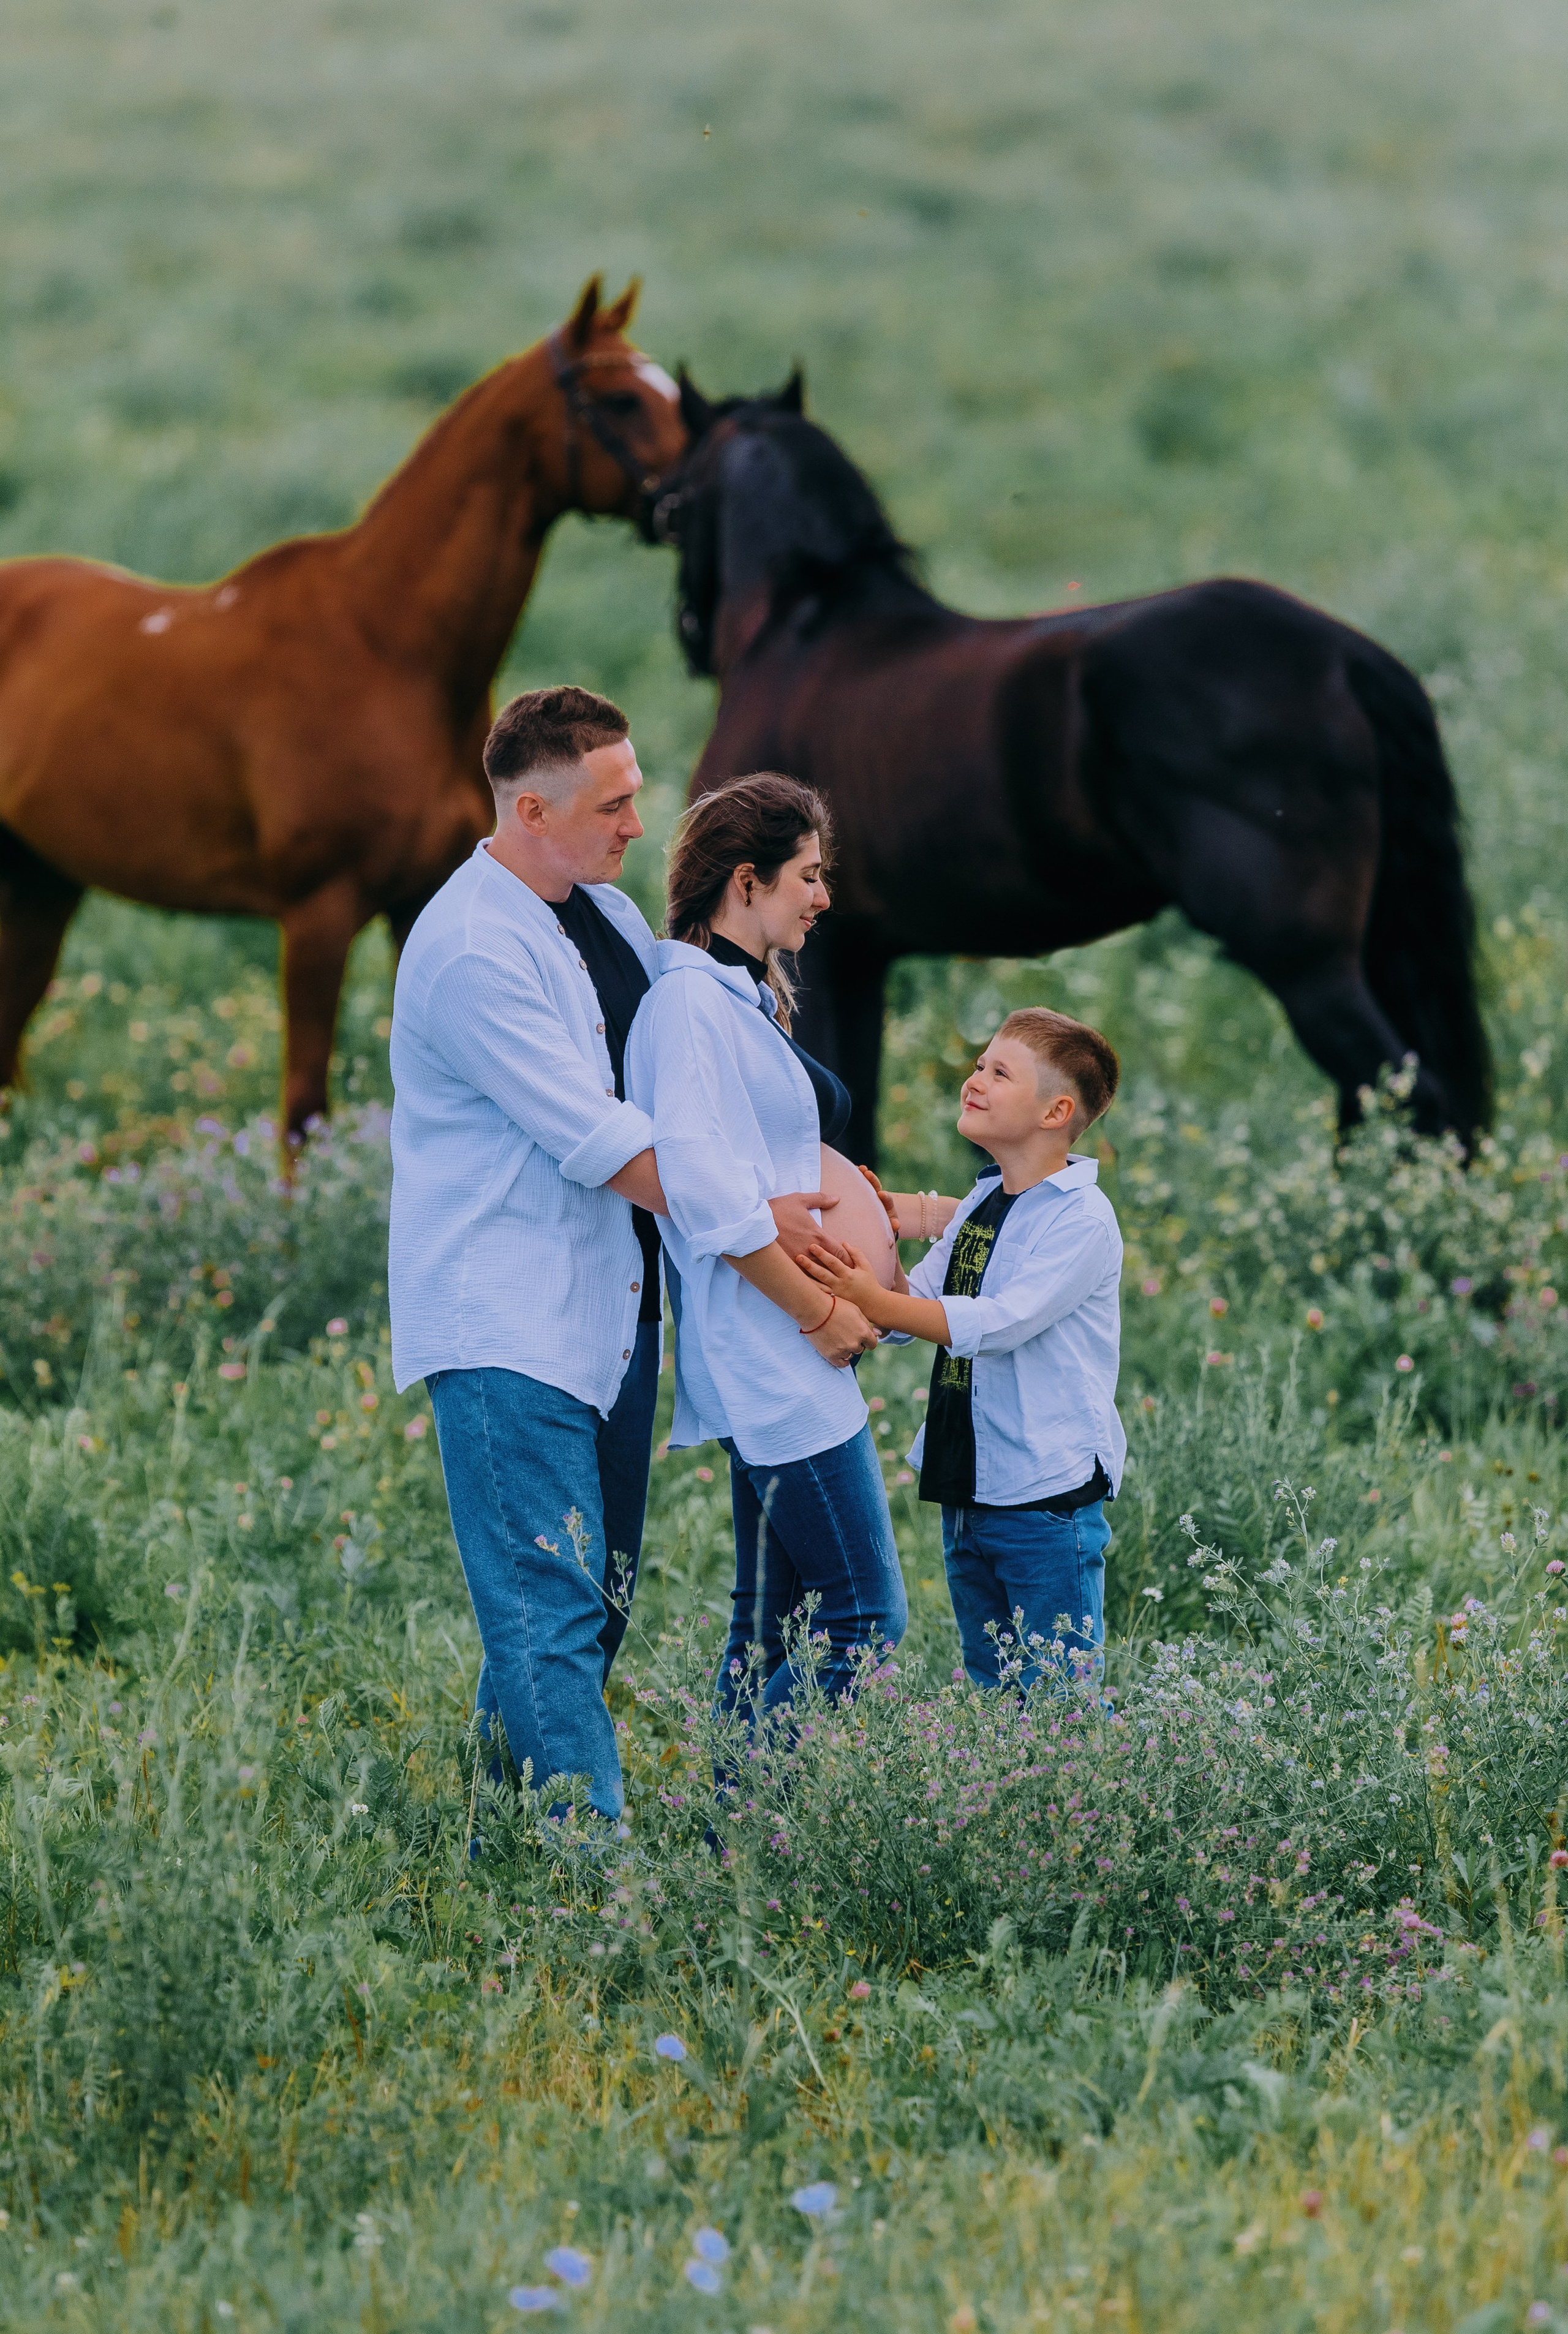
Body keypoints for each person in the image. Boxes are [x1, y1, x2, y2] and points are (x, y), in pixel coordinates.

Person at [388, 690, 840, 1822]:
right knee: (551, 1609)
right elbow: (606, 1143)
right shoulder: (469, 950)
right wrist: (762, 1223)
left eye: (637, 794)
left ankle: (491, 1829)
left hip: (615, 1316)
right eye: (616, 802)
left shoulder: (605, 915)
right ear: (532, 808)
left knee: (591, 1606)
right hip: (509, 1324)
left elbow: (688, 1087)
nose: (641, 823)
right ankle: (592, 1884)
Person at [625, 774, 908, 1721]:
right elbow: (706, 1188)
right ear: (746, 881)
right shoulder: (689, 1008)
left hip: (780, 1343)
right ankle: (749, 1816)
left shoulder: (732, 999)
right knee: (867, 1618)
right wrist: (820, 1310)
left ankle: (730, 1858)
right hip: (776, 1348)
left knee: (768, 1627)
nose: (824, 897)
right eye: (809, 876)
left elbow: (760, 1169)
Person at [804, 1009, 1124, 1693]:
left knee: (1056, 1693)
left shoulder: (1081, 1218)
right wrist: (872, 1239)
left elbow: (999, 1321)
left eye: (998, 1073)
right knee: (995, 1685)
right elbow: (908, 1303)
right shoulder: (983, 1203)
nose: (973, 1080)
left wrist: (879, 1298)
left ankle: (1072, 1801)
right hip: (970, 1486)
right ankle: (1015, 1801)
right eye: (979, 1065)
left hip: (1045, 1496)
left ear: (1055, 1111)